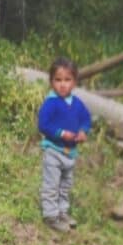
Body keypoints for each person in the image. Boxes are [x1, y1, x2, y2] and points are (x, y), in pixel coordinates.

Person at [38, 57, 92, 232]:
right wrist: (61, 133)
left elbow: (86, 119)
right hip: (53, 151)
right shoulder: (51, 103)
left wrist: (83, 131)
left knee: (65, 185)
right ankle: (50, 216)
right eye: (58, 80)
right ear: (51, 81)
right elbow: (43, 124)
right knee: (52, 185)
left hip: (70, 152)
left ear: (75, 82)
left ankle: (62, 212)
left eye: (67, 80)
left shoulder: (77, 103)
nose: (63, 84)